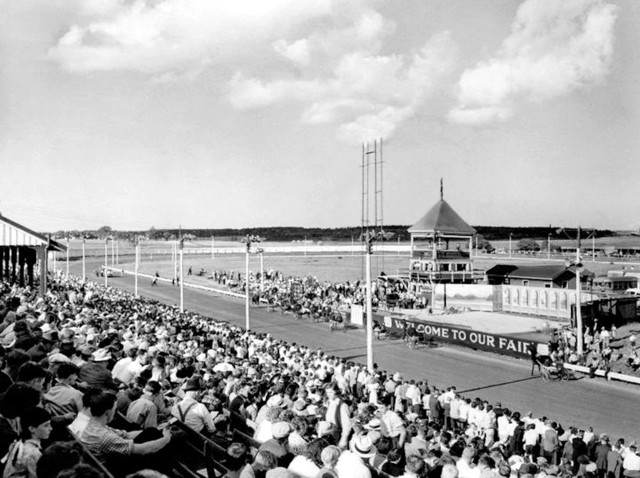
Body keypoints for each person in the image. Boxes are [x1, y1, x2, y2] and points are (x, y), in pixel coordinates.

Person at [2, 407, 52, 478]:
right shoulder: (33, 454)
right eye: (46, 425)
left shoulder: (20, 442)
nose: (51, 428)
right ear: (32, 429)